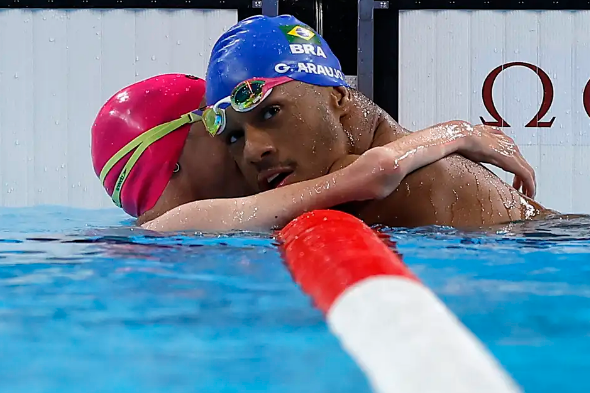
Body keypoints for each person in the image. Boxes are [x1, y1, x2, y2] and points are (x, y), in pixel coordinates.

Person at [203, 14, 555, 229]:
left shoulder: (415, 183)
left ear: (338, 97)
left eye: (270, 112)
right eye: (233, 136)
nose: (253, 151)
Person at [91, 74, 538, 233]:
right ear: (179, 157)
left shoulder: (159, 237)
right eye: (224, 130)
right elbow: (372, 173)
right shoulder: (185, 225)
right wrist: (458, 133)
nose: (251, 148)